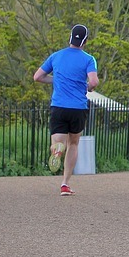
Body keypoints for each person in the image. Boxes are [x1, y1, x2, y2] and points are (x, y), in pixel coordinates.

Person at [33, 24, 99, 196]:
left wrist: (57, 80)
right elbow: (93, 82)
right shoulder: (88, 59)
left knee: (58, 142)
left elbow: (37, 77)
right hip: (77, 108)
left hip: (59, 106)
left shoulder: (56, 56)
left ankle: (56, 150)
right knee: (74, 143)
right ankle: (65, 184)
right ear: (85, 41)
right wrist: (86, 87)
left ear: (70, 37)